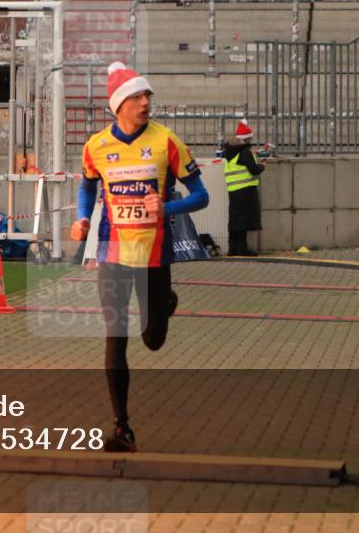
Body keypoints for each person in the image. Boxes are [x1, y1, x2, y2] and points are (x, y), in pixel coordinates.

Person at [70, 62, 209, 452]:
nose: (146, 102)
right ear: (119, 105)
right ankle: (122, 427)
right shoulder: (96, 145)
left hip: (153, 256)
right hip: (112, 253)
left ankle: (165, 304)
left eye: (147, 95)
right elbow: (86, 187)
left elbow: (202, 195)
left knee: (152, 340)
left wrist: (167, 208)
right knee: (116, 337)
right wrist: (82, 218)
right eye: (137, 96)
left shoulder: (167, 141)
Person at [220, 119, 265, 256]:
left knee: (235, 220)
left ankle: (233, 249)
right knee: (243, 221)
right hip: (245, 189)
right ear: (246, 139)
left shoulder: (229, 151)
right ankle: (242, 249)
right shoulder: (244, 152)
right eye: (250, 138)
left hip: (233, 190)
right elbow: (254, 170)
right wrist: (262, 166)